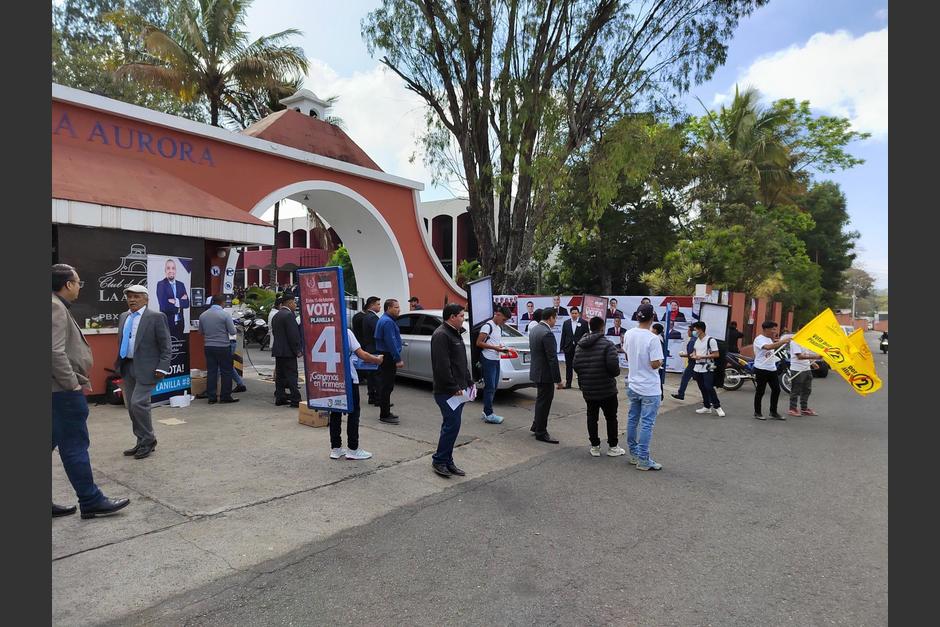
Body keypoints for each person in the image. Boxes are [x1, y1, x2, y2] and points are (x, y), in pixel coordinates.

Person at [52, 264, 130, 519]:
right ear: (67, 284)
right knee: (75, 445)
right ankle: (91, 500)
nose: (78, 286)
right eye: (78, 282)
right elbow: (53, 351)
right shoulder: (55, 306)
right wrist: (71, 383)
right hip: (61, 392)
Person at [115, 284, 172, 460]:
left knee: (139, 403)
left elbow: (166, 346)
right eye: (129, 296)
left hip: (149, 369)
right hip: (128, 366)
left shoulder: (156, 317)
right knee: (132, 407)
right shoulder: (124, 316)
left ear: (146, 299)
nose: (132, 299)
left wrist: (162, 367)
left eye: (137, 296)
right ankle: (141, 440)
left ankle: (149, 439)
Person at [430, 304, 475, 477]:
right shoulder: (441, 334)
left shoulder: (455, 333)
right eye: (462, 316)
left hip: (459, 389)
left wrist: (469, 381)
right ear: (452, 317)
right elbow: (442, 366)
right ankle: (439, 460)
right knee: (452, 426)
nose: (463, 319)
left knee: (451, 426)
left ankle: (447, 460)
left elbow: (460, 361)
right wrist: (453, 387)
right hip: (447, 391)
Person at [572, 316, 625, 458]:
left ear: (590, 327)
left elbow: (576, 365)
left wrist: (586, 376)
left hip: (588, 388)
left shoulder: (580, 344)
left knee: (591, 417)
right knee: (611, 418)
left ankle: (594, 446)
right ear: (602, 327)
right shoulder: (608, 345)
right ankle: (613, 447)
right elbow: (614, 369)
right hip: (607, 389)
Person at [622, 303, 665, 471]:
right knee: (647, 423)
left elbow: (626, 353)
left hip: (633, 384)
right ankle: (643, 459)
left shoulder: (629, 334)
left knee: (633, 419)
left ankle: (634, 454)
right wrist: (660, 361)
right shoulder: (653, 338)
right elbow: (655, 364)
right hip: (649, 388)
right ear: (652, 318)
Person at [329, 329, 384, 460]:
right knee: (353, 413)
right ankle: (353, 449)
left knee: (335, 412)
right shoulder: (345, 331)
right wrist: (376, 360)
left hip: (332, 377)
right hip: (348, 379)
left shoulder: (323, 329)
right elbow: (362, 354)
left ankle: (335, 449)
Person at [528, 307, 564, 443]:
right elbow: (552, 358)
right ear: (550, 318)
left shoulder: (535, 329)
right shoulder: (547, 333)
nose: (555, 321)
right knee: (544, 402)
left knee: (541, 401)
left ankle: (536, 425)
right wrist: (558, 380)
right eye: (555, 318)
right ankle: (541, 432)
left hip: (537, 371)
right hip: (545, 373)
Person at [197, 294, 240, 405]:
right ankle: (225, 396)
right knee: (226, 372)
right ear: (222, 302)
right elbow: (233, 331)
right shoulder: (225, 315)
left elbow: (200, 332)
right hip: (223, 347)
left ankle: (212, 397)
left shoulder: (203, 315)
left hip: (209, 347)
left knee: (212, 372)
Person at [475, 306, 512, 424]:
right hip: (488, 358)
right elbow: (479, 343)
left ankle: (487, 412)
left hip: (496, 358)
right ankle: (488, 413)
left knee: (494, 386)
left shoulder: (498, 327)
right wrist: (495, 348)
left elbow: (495, 342)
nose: (504, 322)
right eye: (504, 319)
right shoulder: (488, 326)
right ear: (498, 314)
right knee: (490, 387)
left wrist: (501, 348)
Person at [752, 320, 791, 420]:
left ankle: (773, 412)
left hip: (771, 368)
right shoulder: (759, 339)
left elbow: (773, 344)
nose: (775, 331)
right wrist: (782, 341)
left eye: (775, 329)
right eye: (773, 329)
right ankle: (757, 412)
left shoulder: (770, 338)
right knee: (760, 391)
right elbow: (767, 347)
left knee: (776, 390)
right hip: (761, 368)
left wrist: (785, 341)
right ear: (766, 329)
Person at [374, 298, 404, 424]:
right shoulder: (387, 322)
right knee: (387, 386)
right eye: (396, 307)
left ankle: (385, 411)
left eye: (398, 307)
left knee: (386, 385)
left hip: (385, 355)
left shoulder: (386, 320)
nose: (399, 309)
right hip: (388, 356)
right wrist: (397, 358)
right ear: (389, 308)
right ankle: (384, 414)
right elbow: (390, 342)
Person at [271, 293, 302, 408]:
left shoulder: (277, 315)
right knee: (292, 375)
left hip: (279, 350)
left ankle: (280, 397)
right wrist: (297, 350)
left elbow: (275, 333)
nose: (295, 305)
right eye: (294, 302)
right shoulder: (289, 315)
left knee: (280, 376)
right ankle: (295, 399)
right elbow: (293, 335)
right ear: (289, 303)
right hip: (288, 351)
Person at [689, 321, 725, 417]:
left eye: (695, 329)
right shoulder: (697, 340)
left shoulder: (711, 340)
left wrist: (702, 357)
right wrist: (693, 355)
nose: (694, 331)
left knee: (709, 386)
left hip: (707, 366)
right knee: (702, 387)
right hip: (697, 367)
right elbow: (695, 351)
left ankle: (717, 406)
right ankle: (706, 406)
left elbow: (716, 354)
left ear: (700, 329)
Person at [353, 296, 382, 405]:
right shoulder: (373, 318)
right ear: (372, 305)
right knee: (377, 375)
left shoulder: (365, 317)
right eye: (378, 304)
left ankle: (372, 396)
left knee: (371, 374)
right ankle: (378, 398)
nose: (380, 306)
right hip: (374, 348)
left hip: (368, 347)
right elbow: (378, 333)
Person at [787, 335, 820, 417]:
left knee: (807, 389)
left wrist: (813, 362)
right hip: (797, 369)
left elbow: (806, 354)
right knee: (796, 390)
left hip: (806, 368)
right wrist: (816, 356)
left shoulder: (805, 341)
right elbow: (799, 356)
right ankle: (792, 409)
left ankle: (804, 408)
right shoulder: (795, 342)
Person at [155, 258, 189, 336]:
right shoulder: (161, 285)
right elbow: (164, 307)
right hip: (167, 324)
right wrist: (180, 303)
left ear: (175, 270)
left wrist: (176, 301)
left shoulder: (181, 285)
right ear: (165, 270)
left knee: (180, 347)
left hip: (180, 323)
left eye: (173, 268)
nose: (171, 271)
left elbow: (187, 303)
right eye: (168, 268)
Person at [560, 306, 588, 388]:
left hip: (580, 348)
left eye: (576, 313)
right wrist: (562, 347)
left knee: (579, 366)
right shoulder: (566, 323)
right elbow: (563, 335)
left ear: (578, 314)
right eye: (572, 313)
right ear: (570, 314)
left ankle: (581, 385)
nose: (574, 315)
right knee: (568, 366)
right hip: (568, 348)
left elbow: (586, 336)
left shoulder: (584, 323)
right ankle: (568, 384)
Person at [670, 326, 697, 401]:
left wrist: (683, 355)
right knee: (700, 381)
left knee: (685, 378)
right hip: (694, 362)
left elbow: (691, 354)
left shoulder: (692, 340)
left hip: (693, 363)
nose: (687, 332)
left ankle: (681, 394)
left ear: (692, 332)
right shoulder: (695, 339)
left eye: (688, 331)